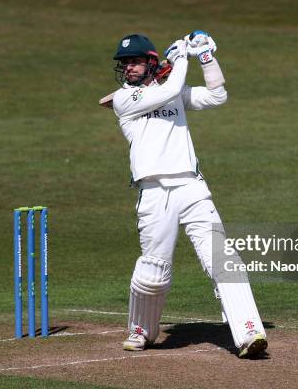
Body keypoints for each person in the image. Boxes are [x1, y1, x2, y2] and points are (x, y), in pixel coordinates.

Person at [110, 32, 268, 358]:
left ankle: (249, 331)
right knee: (154, 270)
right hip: (154, 192)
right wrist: (181, 57)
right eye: (124, 63)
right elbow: (168, 90)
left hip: (191, 186)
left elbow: (217, 96)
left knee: (222, 257)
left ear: (151, 62)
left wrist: (206, 58)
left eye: (135, 61)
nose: (128, 68)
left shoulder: (173, 93)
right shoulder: (123, 100)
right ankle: (141, 330)